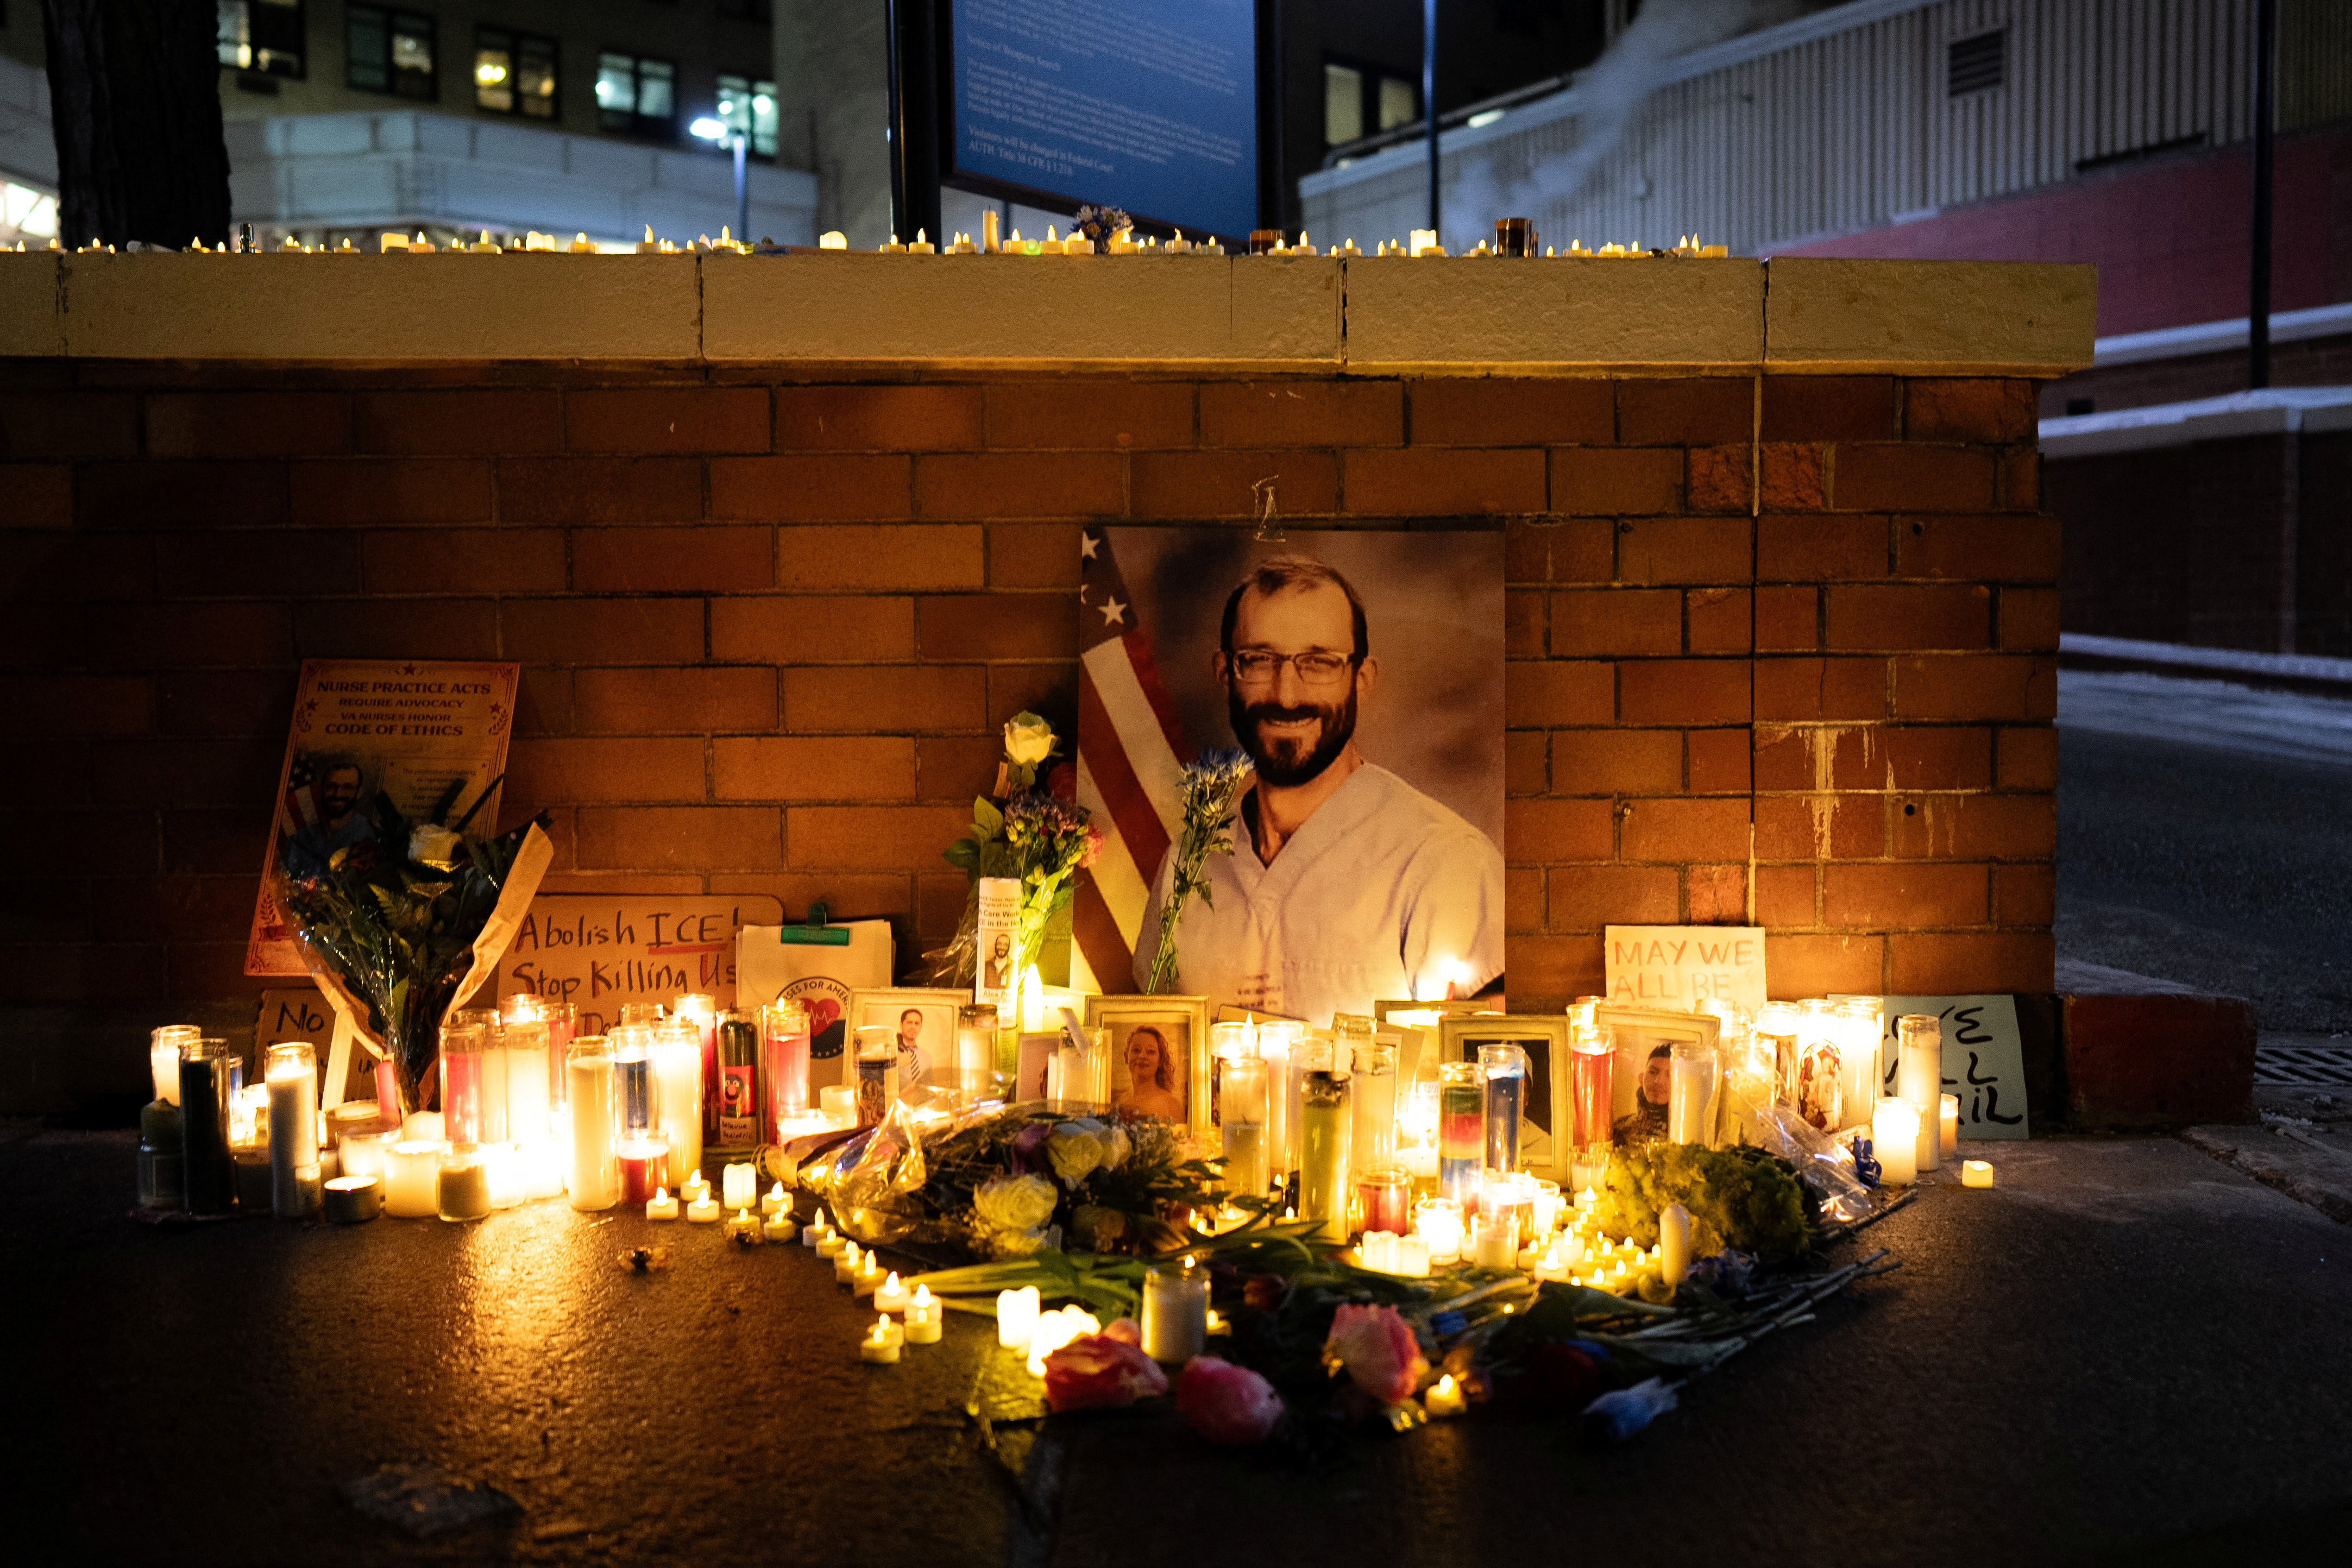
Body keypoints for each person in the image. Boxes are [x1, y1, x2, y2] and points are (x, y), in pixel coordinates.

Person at [1131, 556, 1505, 1025]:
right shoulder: (1187, 864)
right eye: (1260, 660)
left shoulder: (1445, 864)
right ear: (1226, 673)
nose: (1287, 694)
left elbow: (1492, 1072)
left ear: (1362, 678)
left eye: (1319, 663)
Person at [1114, 1025, 1185, 1120]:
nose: (1142, 1056)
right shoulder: (1121, 1101)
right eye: (1136, 1050)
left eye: (1151, 1052)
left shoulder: (1172, 1106)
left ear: (1160, 1060)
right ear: (1126, 1057)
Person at [1614, 1043, 1672, 1144]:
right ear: (1642, 1078)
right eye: (1653, 1072)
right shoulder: (1621, 1127)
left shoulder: (1684, 1134)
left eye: (1670, 1075)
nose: (1658, 1081)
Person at [894, 1006, 929, 1088]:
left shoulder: (927, 1057)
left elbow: (929, 1087)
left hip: (920, 1100)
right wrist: (896, 1065)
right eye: (910, 1023)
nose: (913, 1027)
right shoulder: (890, 1052)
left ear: (921, 1027)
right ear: (901, 1024)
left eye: (917, 1023)